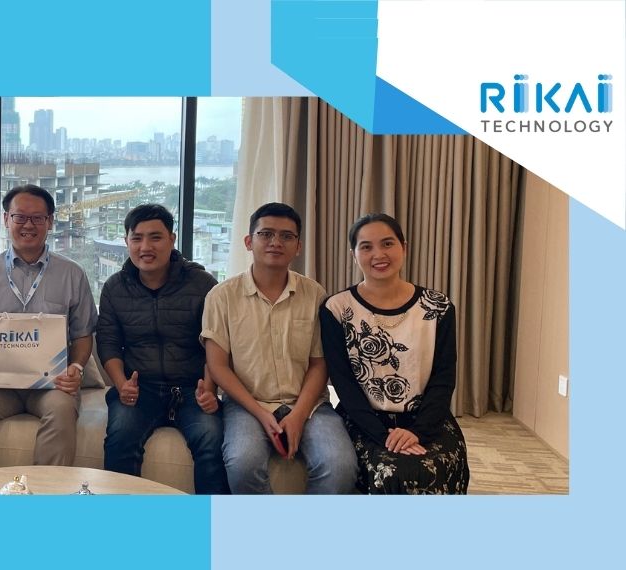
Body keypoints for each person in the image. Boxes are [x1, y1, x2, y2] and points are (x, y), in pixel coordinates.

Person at [201, 202, 357, 494]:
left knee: (340, 467)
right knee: (243, 464)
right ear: (249, 241)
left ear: (298, 246)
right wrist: (261, 414)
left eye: (287, 236)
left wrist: (298, 415)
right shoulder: (221, 296)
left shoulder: (315, 294)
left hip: (309, 405)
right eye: (266, 234)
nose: (276, 242)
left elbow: (319, 363)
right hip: (247, 404)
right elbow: (218, 365)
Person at [319, 213, 470, 494]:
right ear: (354, 255)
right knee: (393, 473)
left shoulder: (437, 306)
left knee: (436, 467)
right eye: (366, 247)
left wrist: (418, 432)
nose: (378, 254)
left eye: (387, 243)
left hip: (426, 418)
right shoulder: (336, 309)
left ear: (404, 247)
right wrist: (384, 436)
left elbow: (444, 378)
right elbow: (343, 383)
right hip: (364, 420)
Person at [0, 184, 98, 472]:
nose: (28, 225)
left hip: (51, 384)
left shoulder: (72, 273)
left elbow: (83, 334)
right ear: (6, 219)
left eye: (37, 218)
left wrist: (77, 368)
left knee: (62, 408)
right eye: (20, 217)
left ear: (50, 222)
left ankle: (46, 494)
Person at [97, 204, 228, 494]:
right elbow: (108, 342)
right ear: (127, 241)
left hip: (192, 387)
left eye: (155, 237)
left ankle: (213, 519)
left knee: (211, 439)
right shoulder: (115, 287)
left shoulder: (202, 283)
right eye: (137, 238)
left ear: (172, 239)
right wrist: (121, 384)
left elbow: (216, 342)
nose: (145, 247)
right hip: (139, 387)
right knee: (120, 437)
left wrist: (210, 388)